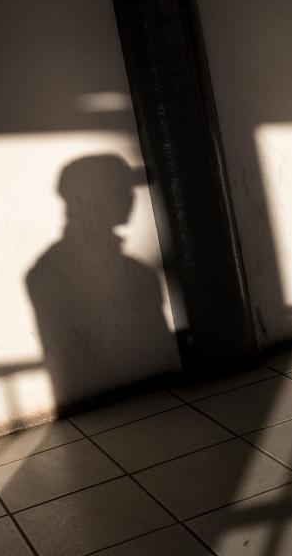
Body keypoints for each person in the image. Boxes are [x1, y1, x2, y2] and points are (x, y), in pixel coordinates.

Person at [26, 154, 178, 407]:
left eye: (128, 190)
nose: (131, 198)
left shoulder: (136, 270)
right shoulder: (51, 271)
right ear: (90, 201)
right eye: (120, 190)